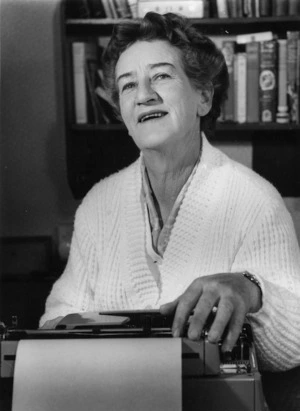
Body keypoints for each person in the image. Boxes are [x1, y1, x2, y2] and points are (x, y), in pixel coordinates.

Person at [40, 12, 300, 372]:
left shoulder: (257, 201)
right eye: (128, 85)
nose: (144, 95)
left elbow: (292, 347)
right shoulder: (98, 204)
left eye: (161, 75)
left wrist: (252, 291)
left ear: (204, 97)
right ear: (122, 113)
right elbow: (58, 314)